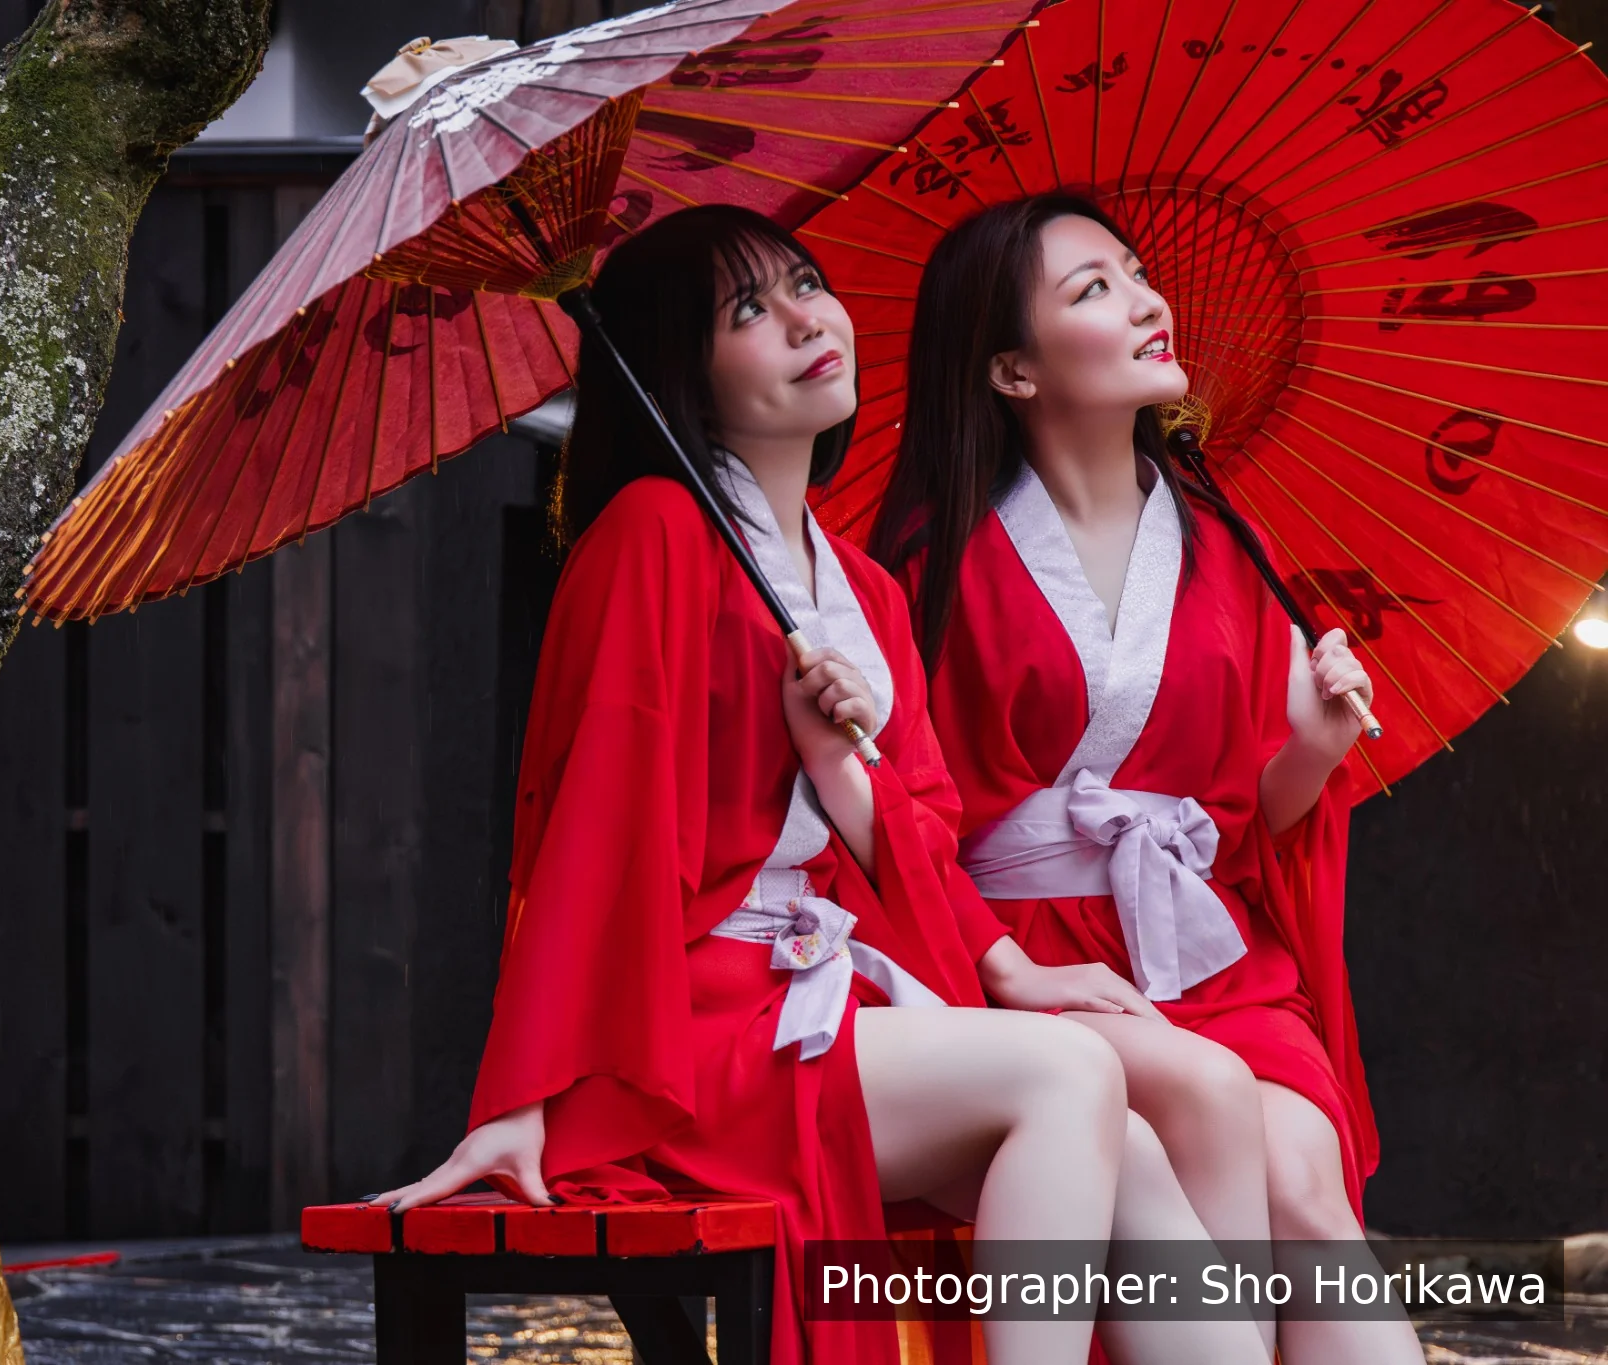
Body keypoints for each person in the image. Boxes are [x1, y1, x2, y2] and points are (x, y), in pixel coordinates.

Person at [370, 205, 1270, 1365]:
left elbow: (920, 832)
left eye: (804, 284)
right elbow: (588, 828)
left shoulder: (860, 590)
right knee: (1067, 1076)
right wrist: (517, 1096)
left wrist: (848, 779)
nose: (806, 320)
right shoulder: (652, 531)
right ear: (681, 371)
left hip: (819, 999)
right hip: (683, 1034)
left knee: (1134, 1154)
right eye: (747, 311)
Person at [871, 191, 1422, 1365]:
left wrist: (1314, 746)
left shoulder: (1223, 541)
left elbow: (1240, 824)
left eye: (1133, 272)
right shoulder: (927, 567)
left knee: (1304, 1188)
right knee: (1207, 1131)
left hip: (1206, 951)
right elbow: (904, 825)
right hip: (1023, 956)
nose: (1144, 301)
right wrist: (1006, 968)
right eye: (1093, 289)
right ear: (1012, 371)